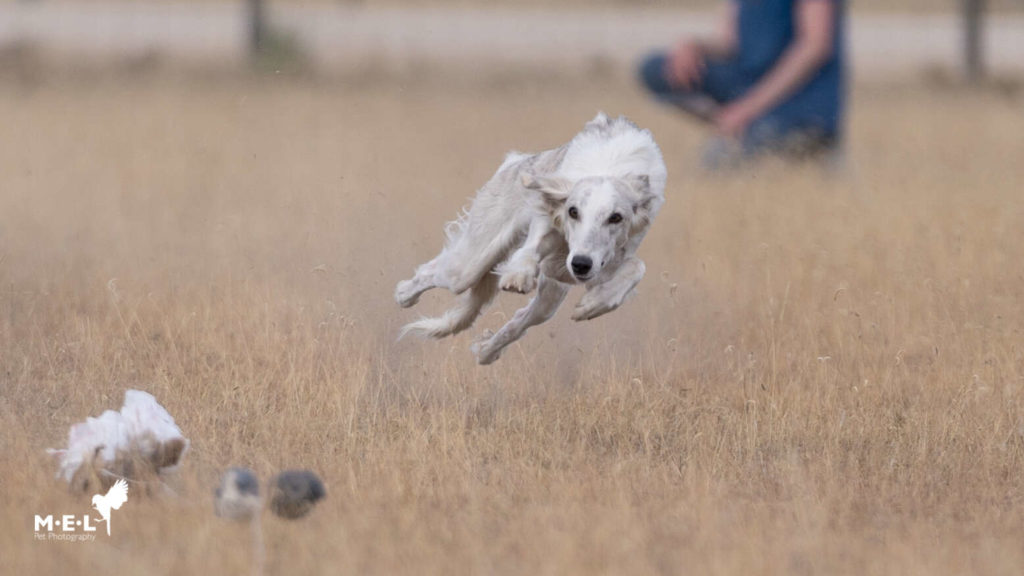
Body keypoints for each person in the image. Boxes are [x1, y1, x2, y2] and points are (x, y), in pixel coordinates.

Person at [639, 0, 846, 167]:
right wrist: (694, 45)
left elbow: (816, 46)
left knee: (726, 166)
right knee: (657, 69)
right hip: (749, 89)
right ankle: (737, 132)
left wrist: (746, 109)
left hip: (802, 104)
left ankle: (786, 141)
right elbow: (730, 44)